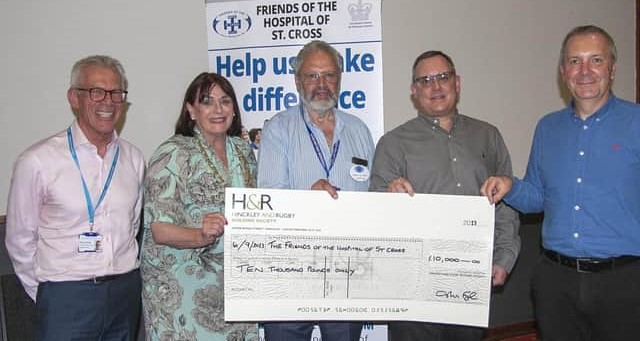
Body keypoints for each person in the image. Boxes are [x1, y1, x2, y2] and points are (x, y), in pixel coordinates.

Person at [481, 25, 640, 341]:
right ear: (562, 70)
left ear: (612, 67)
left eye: (595, 60)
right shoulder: (547, 128)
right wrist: (510, 185)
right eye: (574, 61)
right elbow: (538, 196)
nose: (584, 71)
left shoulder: (636, 122)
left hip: (623, 282)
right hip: (556, 282)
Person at [369, 50, 521, 340]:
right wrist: (387, 198)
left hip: (470, 282)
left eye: (443, 77)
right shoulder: (393, 144)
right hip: (412, 289)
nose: (436, 86)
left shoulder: (488, 135)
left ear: (457, 82)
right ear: (414, 91)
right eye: (425, 80)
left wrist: (504, 258)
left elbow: (505, 206)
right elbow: (375, 212)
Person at [5, 55, 145, 340]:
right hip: (65, 297)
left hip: (123, 293)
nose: (108, 101)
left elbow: (131, 226)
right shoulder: (38, 160)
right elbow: (20, 239)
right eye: (96, 91)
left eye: (116, 92)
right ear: (74, 98)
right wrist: (48, 293)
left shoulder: (133, 158)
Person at [257, 40, 374, 341]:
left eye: (329, 75)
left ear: (340, 78)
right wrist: (307, 199)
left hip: (349, 271)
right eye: (312, 76)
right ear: (297, 81)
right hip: (290, 270)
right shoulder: (278, 129)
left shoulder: (359, 130)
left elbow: (375, 196)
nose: (322, 84)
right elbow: (270, 198)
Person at [140, 72, 258, 340]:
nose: (218, 109)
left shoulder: (243, 152)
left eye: (225, 101)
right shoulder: (172, 153)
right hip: (184, 288)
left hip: (237, 284)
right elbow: (159, 229)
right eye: (207, 101)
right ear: (191, 110)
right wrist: (200, 234)